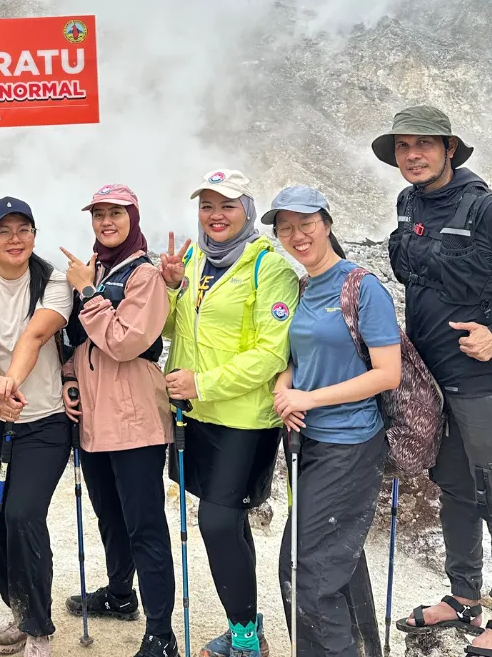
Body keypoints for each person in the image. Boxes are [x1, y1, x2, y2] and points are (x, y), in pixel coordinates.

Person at [373, 107, 492, 656]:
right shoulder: (407, 206)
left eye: (424, 144)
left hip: (488, 380)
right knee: (454, 492)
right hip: (432, 382)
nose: (412, 155)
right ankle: (464, 596)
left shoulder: (490, 210)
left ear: (450, 149)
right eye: (403, 147)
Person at [160, 169, 300, 657]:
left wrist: (203, 383)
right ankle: (249, 622)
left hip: (244, 419)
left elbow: (271, 353)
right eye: (207, 206)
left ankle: (244, 635)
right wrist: (175, 288)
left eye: (227, 206)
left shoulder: (271, 269)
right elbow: (184, 330)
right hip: (198, 416)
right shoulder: (195, 259)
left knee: (217, 523)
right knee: (230, 522)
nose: (215, 216)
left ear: (247, 209)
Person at [266, 185, 402, 657]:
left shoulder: (362, 287)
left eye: (305, 224)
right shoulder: (303, 287)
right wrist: (285, 384)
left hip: (350, 444)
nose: (297, 235)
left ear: (326, 223)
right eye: (286, 227)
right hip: (311, 444)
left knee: (303, 568)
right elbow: (299, 354)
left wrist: (311, 397)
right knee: (336, 561)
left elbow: (388, 374)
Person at [58, 184, 177, 657]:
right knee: (109, 513)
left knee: (144, 522)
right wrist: (69, 379)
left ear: (133, 216)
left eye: (116, 213)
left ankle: (161, 631)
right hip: (94, 415)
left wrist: (86, 290)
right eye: (99, 214)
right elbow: (79, 342)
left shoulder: (144, 275)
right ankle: (120, 593)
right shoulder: (100, 267)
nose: (106, 222)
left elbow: (124, 342)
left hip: (134, 417)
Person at [0, 197, 74, 657]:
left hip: (43, 419)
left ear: (34, 235)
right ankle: (18, 610)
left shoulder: (55, 281)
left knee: (25, 514)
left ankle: (39, 626)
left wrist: (10, 384)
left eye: (23, 229)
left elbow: (37, 333)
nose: (14, 239)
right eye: (3, 231)